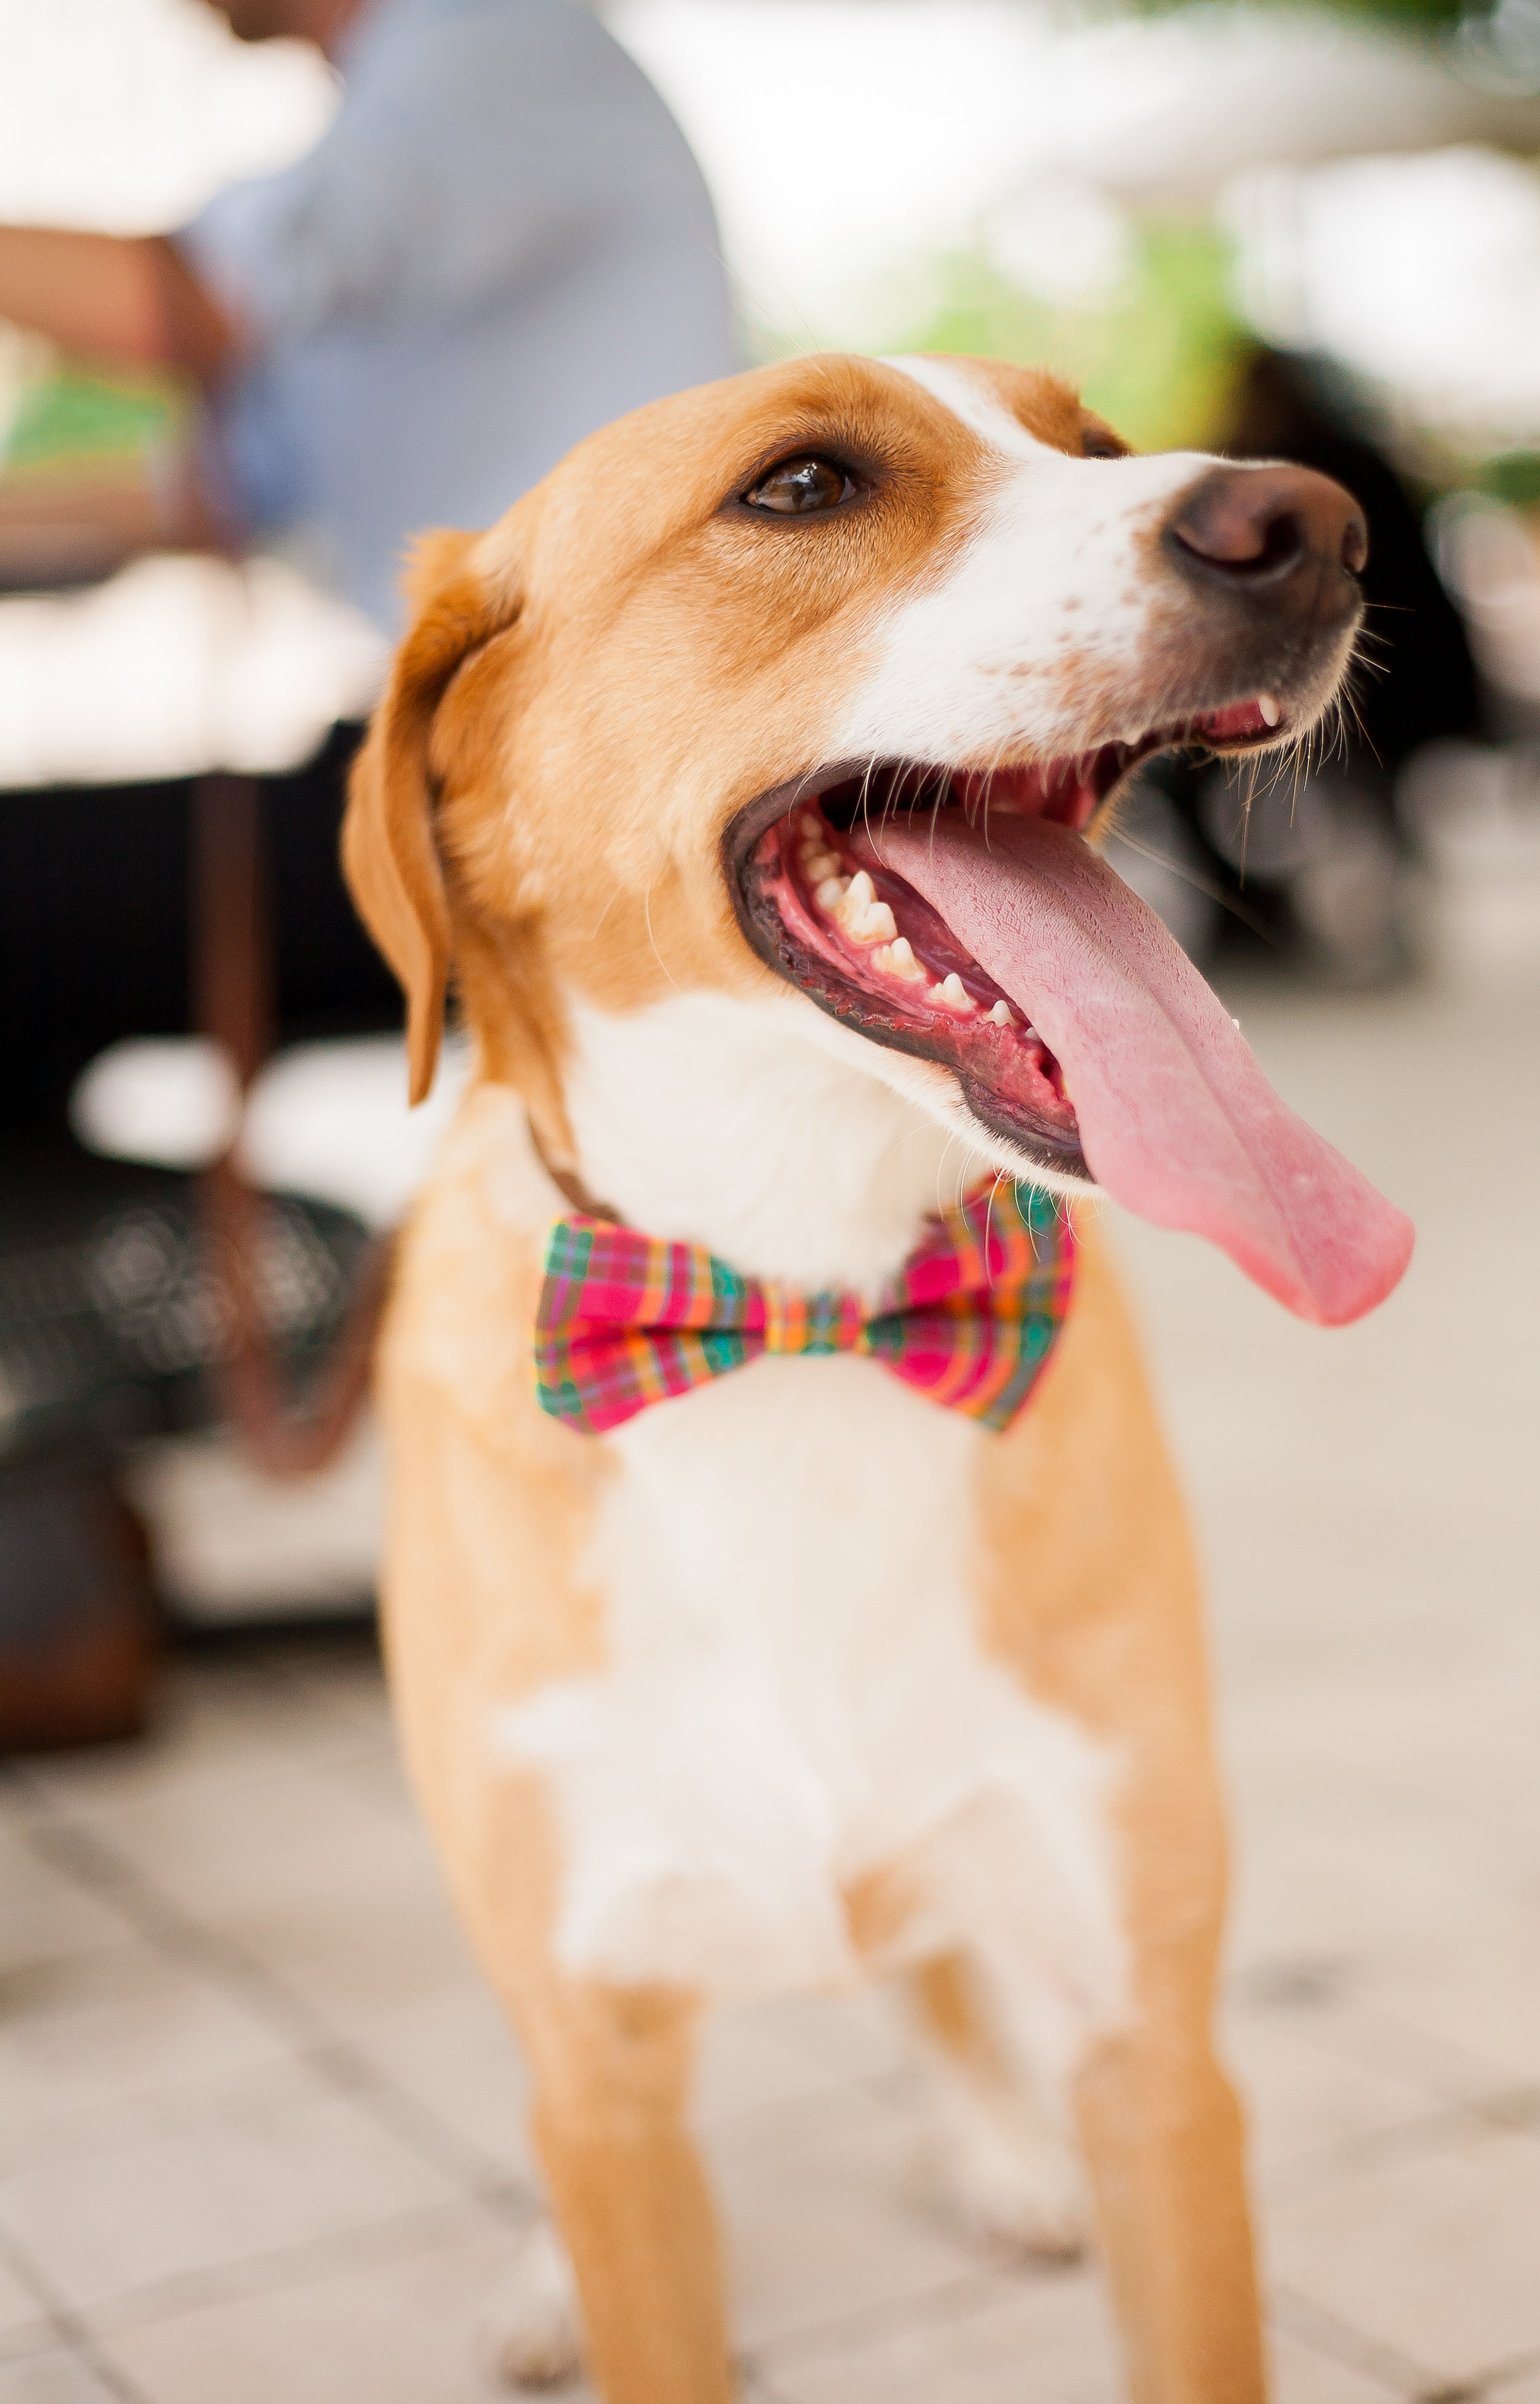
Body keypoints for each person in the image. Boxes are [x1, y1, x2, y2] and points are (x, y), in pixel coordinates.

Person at [0, 0, 736, 1749]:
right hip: (456, 761)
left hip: (580, 779)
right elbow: (183, 486)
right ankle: (59, 1511)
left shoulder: (489, 39)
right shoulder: (366, 152)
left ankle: (67, 1495)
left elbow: (172, 306)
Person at [0, 0, 737, 626]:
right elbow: (230, 485)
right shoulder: (405, 110)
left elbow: (187, 306)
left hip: (604, 719)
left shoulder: (493, 46)